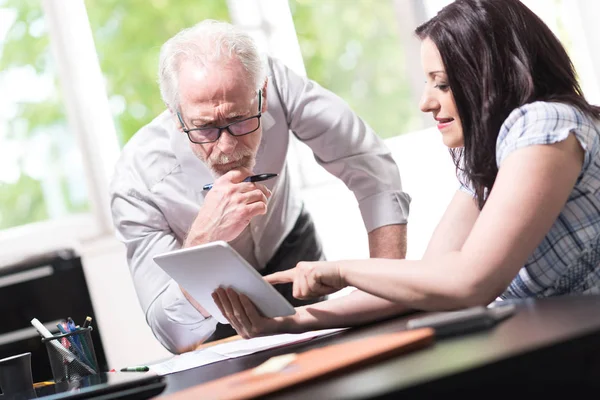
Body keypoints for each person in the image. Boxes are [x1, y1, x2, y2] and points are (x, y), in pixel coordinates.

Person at [213, 0, 600, 339]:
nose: (425, 102)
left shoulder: (545, 125)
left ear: (492, 78)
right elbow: (432, 278)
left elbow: (469, 282)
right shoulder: (489, 156)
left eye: (444, 84)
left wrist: (343, 270)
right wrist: (289, 321)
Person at [109, 20, 410, 353]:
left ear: (263, 95)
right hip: (211, 291)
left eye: (239, 120)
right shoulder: (135, 182)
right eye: (205, 128)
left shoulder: (277, 84)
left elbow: (367, 162)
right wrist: (203, 242)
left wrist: (387, 285)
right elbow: (172, 334)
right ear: (175, 114)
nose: (226, 147)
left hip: (289, 245)